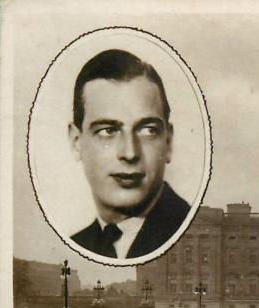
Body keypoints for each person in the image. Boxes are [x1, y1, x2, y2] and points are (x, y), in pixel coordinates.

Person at [67, 49, 190, 259]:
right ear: (76, 141)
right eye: (108, 131)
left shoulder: (187, 224)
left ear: (168, 142)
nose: (130, 153)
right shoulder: (79, 243)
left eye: (148, 130)